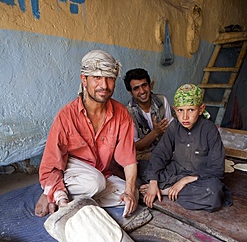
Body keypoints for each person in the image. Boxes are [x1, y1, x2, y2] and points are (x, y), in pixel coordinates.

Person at [35, 50, 138, 218]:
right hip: (74, 171)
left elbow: (128, 159)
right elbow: (52, 163)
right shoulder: (67, 115)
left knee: (126, 196)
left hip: (99, 174)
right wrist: (60, 199)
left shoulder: (121, 114)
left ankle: (59, 193)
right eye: (97, 78)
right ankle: (55, 190)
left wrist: (130, 191)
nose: (104, 85)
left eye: (110, 78)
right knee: (94, 182)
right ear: (84, 79)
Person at [141, 83, 232, 212]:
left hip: (199, 178)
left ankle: (165, 191)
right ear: (174, 109)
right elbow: (160, 154)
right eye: (180, 110)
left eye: (191, 110)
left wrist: (185, 180)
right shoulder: (174, 127)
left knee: (213, 192)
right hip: (175, 173)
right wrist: (153, 182)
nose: (185, 117)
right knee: (142, 167)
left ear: (201, 109)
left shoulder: (209, 129)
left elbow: (217, 169)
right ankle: (165, 188)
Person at [123, 68, 173, 183]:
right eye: (136, 88)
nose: (142, 91)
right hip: (144, 156)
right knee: (153, 175)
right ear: (131, 93)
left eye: (144, 85)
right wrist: (155, 132)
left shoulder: (161, 101)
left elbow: (172, 130)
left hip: (165, 151)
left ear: (150, 86)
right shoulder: (128, 113)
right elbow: (135, 146)